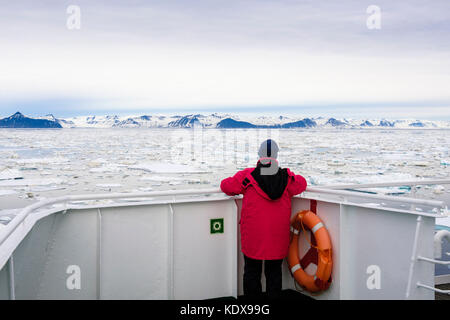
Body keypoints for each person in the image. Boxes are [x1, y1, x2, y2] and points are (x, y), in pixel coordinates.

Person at [220, 139, 307, 298]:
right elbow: (302, 184)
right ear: (276, 155)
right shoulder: (286, 177)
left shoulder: (247, 176)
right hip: (277, 236)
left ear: (259, 155)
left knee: (252, 273)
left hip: (253, 236)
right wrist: (290, 173)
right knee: (274, 274)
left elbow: (225, 186)